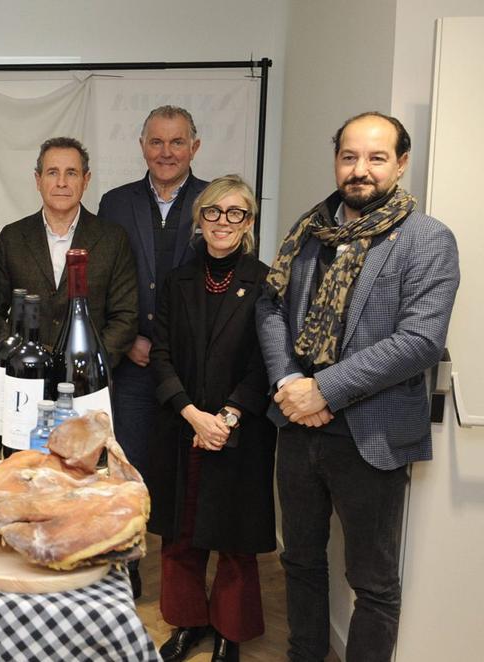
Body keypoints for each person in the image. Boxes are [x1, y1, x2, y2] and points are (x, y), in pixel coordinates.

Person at [257, 112, 459, 661]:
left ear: (401, 162)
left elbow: (418, 341)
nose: (360, 169)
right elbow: (270, 305)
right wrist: (289, 380)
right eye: (349, 156)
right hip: (298, 428)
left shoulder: (427, 239)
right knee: (299, 561)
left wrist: (324, 390)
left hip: (372, 438)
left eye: (375, 157)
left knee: (372, 584)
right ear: (337, 160)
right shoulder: (309, 230)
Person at [148, 175, 275, 662]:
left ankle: (229, 631)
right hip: (181, 424)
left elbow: (267, 361)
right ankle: (188, 624)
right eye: (214, 212)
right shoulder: (177, 279)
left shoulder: (265, 282)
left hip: (238, 429)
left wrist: (226, 416)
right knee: (179, 535)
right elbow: (159, 354)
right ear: (200, 219)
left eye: (236, 213)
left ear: (248, 223)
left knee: (234, 539)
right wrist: (191, 413)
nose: (224, 222)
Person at [99, 105, 208, 596]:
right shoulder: (114, 203)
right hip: (135, 363)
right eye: (157, 142)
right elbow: (107, 281)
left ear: (194, 147)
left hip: (193, 367)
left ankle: (183, 584)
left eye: (177, 142)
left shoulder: (215, 200)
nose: (167, 152)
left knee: (187, 475)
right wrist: (131, 338)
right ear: (142, 146)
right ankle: (130, 566)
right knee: (131, 467)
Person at [0, 136, 139, 364]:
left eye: (71, 173)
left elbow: (125, 316)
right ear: (38, 180)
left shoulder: (113, 239)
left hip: (88, 381)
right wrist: (17, 357)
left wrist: (88, 365)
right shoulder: (12, 238)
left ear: (86, 180)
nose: (61, 182)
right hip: (23, 377)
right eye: (52, 172)